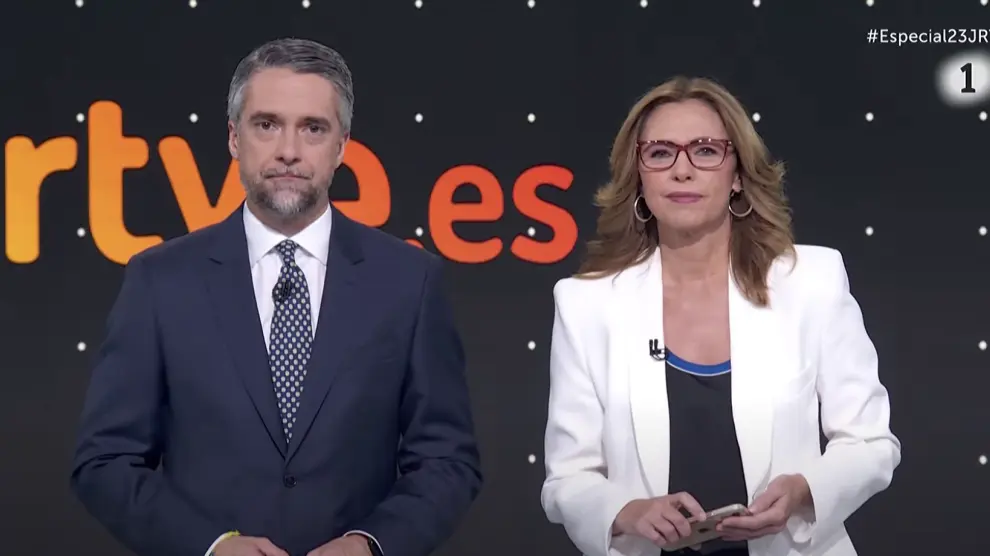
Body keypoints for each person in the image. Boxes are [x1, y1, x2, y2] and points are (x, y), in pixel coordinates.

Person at [70, 38, 482, 556]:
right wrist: (210, 546)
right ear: (234, 137)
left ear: (342, 146)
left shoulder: (409, 280)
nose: (289, 150)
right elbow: (105, 462)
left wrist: (370, 544)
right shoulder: (160, 280)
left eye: (313, 128)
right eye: (267, 125)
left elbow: (447, 461)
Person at [540, 76, 901, 556]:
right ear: (639, 176)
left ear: (737, 175)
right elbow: (568, 478)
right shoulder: (586, 304)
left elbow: (871, 442)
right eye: (660, 153)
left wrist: (804, 491)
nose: (682, 171)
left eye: (706, 151)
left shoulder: (811, 281)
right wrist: (627, 511)